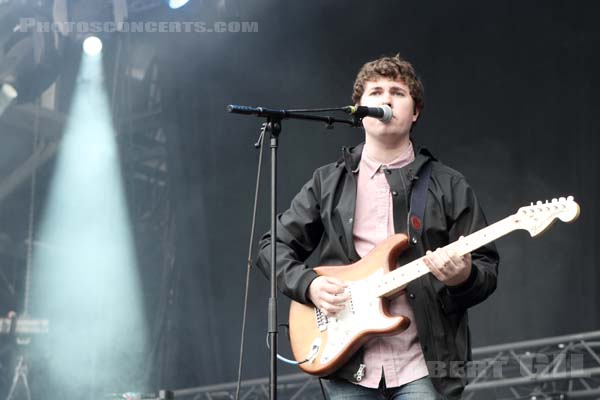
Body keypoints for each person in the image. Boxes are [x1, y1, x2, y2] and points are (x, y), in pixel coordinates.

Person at [256, 54, 499, 400]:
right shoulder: (328, 182)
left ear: (415, 112)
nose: (386, 99)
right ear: (358, 110)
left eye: (398, 93)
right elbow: (272, 245)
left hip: (424, 365)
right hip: (348, 364)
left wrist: (463, 277)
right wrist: (309, 285)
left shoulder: (449, 185)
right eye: (376, 92)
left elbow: (486, 269)